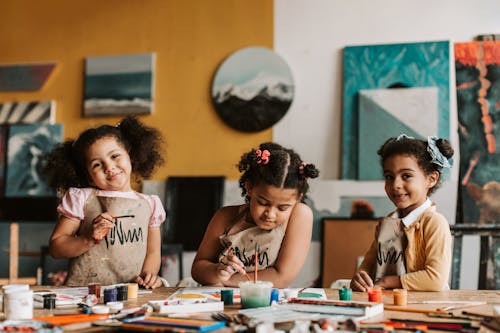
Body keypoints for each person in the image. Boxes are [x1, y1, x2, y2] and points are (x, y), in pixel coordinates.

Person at [43, 116, 167, 289]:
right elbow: (56, 248)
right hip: (84, 294)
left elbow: (153, 252)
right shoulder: (81, 198)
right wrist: (88, 239)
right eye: (97, 165)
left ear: (130, 156)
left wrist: (149, 277)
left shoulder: (150, 204)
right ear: (89, 177)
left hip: (132, 296)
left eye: (115, 156)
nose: (109, 167)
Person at [191, 142, 319, 288]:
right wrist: (216, 272)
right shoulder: (225, 216)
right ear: (249, 187)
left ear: (297, 198)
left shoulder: (300, 216)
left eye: (282, 208)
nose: (270, 214)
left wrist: (226, 281)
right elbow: (198, 268)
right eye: (263, 203)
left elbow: (281, 278)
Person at [351, 134, 454, 292]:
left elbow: (436, 279)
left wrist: (387, 282)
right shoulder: (387, 224)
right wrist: (361, 278)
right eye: (389, 177)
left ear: (431, 179)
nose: (396, 185)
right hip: (389, 303)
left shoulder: (435, 223)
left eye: (406, 176)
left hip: (427, 307)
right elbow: (368, 265)